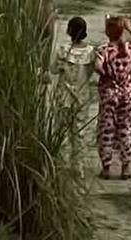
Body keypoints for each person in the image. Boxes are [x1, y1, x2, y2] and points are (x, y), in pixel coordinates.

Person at [95, 15, 131, 180]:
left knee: (106, 128)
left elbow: (97, 66)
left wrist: (106, 75)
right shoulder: (129, 48)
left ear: (107, 32)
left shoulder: (104, 50)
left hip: (109, 94)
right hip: (126, 93)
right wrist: (129, 28)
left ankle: (106, 167)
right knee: (125, 129)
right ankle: (126, 167)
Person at [55, 16, 97, 167]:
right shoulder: (91, 52)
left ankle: (62, 163)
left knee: (62, 130)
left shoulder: (62, 50)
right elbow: (92, 72)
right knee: (80, 131)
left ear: (69, 31)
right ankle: (79, 167)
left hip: (64, 95)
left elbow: (53, 69)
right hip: (82, 95)